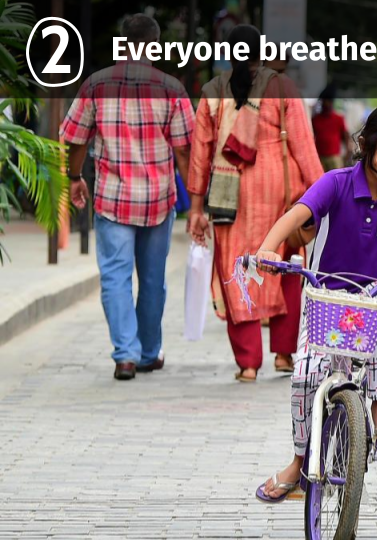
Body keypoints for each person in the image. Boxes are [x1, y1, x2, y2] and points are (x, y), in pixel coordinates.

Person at [254, 103, 377, 501]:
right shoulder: (335, 183)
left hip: (371, 299)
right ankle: (299, 462)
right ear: (366, 144)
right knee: (304, 377)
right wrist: (268, 247)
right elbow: (296, 215)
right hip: (326, 296)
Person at [61, 14, 195, 381]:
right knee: (153, 280)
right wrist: (197, 203)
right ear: (155, 45)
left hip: (112, 198)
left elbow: (75, 137)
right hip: (158, 200)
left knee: (115, 278)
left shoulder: (96, 84)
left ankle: (125, 356)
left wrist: (74, 177)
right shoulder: (171, 88)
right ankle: (148, 352)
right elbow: (185, 151)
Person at [187, 25, 324, 382]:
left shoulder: (212, 92)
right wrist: (324, 195)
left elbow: (200, 156)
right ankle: (284, 354)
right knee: (285, 266)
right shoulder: (283, 87)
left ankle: (248, 364)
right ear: (261, 53)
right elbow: (303, 147)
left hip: (228, 195)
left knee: (236, 270)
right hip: (280, 194)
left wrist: (196, 208)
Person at [311, 85, 351, 173]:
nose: (326, 103)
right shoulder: (315, 119)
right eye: (324, 101)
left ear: (332, 102)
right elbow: (311, 138)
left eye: (328, 101)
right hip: (319, 158)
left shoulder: (339, 119)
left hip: (334, 158)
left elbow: (345, 136)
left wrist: (347, 152)